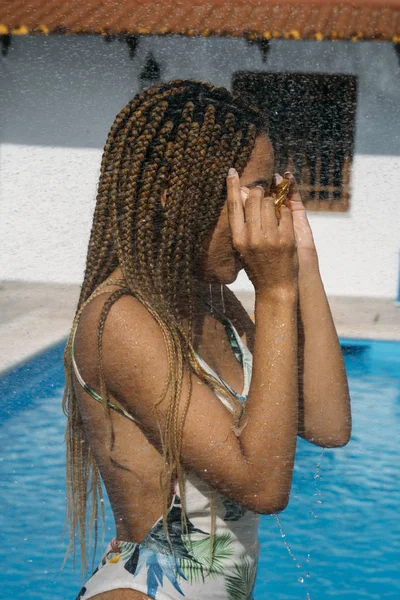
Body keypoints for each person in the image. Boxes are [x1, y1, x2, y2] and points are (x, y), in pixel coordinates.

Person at [62, 79, 352, 600]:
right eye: (259, 190)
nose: (265, 210)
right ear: (181, 193)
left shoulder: (213, 303)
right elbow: (263, 485)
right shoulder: (120, 319)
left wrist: (302, 263)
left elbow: (326, 424)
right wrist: (276, 293)